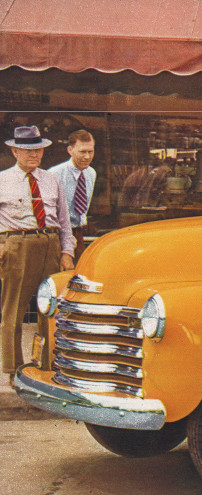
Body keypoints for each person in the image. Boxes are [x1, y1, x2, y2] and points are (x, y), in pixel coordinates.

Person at [0, 126, 75, 385]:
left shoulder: (51, 179)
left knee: (52, 308)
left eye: (39, 149)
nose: (34, 155)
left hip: (50, 244)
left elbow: (64, 220)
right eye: (28, 150)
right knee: (14, 310)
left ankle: (50, 366)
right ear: (15, 151)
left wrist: (66, 251)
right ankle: (13, 370)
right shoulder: (2, 180)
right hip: (18, 245)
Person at [49, 130, 96, 261]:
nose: (87, 157)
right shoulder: (54, 174)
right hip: (58, 235)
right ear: (70, 150)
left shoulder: (91, 173)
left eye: (90, 151)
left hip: (79, 234)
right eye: (82, 152)